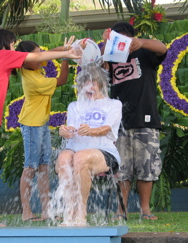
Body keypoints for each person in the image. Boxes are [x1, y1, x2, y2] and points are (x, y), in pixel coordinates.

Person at [0, 29, 80, 227]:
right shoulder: (3, 56)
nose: (14, 47)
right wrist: (67, 54)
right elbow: (40, 55)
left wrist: (65, 50)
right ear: (5, 43)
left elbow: (41, 55)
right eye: (12, 43)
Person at [102, 22, 167, 221]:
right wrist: (105, 46)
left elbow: (163, 48)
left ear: (130, 37)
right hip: (119, 123)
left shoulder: (144, 53)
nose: (119, 43)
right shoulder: (110, 57)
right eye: (115, 39)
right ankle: (121, 210)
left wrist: (139, 43)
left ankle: (145, 210)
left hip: (145, 119)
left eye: (121, 38)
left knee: (146, 168)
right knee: (122, 171)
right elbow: (101, 74)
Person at [15, 37, 75, 222]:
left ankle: (45, 211)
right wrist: (66, 56)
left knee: (44, 167)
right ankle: (26, 212)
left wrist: (65, 48)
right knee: (31, 167)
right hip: (32, 125)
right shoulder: (34, 80)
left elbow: (48, 54)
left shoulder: (31, 66)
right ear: (27, 58)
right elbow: (62, 80)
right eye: (37, 53)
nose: (41, 55)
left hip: (40, 124)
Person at [55, 64, 122, 226]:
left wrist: (91, 130)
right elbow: (72, 129)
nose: (89, 88)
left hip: (104, 151)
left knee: (80, 158)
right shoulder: (74, 106)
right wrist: (64, 130)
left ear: (102, 85)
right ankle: (68, 212)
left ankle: (81, 212)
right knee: (64, 158)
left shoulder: (113, 104)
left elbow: (107, 128)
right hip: (75, 148)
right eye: (85, 84)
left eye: (93, 83)